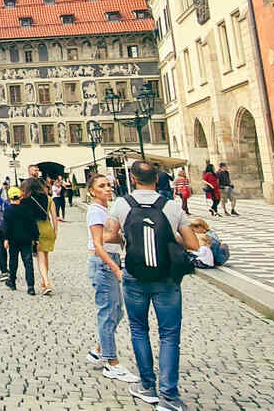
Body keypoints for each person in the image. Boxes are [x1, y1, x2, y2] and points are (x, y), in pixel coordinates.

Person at [105, 159, 199, 411]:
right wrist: (171, 235)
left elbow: (107, 236)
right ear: (157, 180)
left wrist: (125, 235)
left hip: (134, 275)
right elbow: (193, 244)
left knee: (138, 329)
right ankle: (169, 396)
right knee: (169, 335)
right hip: (166, 277)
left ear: (132, 179)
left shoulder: (121, 204)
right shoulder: (171, 206)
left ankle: (147, 385)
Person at [85, 175, 140, 383]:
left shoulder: (104, 210)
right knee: (108, 312)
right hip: (103, 263)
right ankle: (111, 362)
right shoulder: (95, 211)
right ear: (92, 191)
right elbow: (99, 243)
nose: (108, 188)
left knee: (116, 311)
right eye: (102, 186)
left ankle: (99, 350)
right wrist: (116, 268)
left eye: (108, 185)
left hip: (108, 260)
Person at [24, 177, 58, 295]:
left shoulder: (28, 200)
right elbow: (54, 217)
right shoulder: (49, 199)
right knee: (45, 256)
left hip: (37, 230)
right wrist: (55, 231)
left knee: (40, 257)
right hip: (48, 229)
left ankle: (46, 283)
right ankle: (44, 280)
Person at [3, 186, 38, 294]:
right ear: (20, 196)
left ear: (9, 197)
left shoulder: (8, 210)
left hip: (13, 240)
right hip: (26, 239)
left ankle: (12, 282)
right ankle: (31, 286)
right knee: (28, 262)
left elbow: (7, 226)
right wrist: (35, 237)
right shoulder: (26, 209)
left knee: (13, 261)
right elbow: (33, 224)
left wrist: (6, 239)